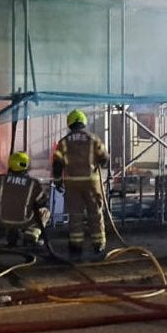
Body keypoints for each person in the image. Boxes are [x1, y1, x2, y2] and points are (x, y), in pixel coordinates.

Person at [52, 109, 109, 257]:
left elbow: (57, 164)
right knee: (95, 213)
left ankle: (76, 245)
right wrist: (101, 164)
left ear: (70, 123)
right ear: (83, 122)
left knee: (75, 214)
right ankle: (98, 245)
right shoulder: (94, 139)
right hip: (91, 182)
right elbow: (104, 159)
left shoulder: (63, 142)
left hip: (72, 183)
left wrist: (58, 181)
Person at [0, 151, 50, 247]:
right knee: (45, 212)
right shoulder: (33, 183)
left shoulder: (1, 179)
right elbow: (43, 200)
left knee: (12, 212)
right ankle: (31, 234)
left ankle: (12, 234)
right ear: (25, 165)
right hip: (23, 221)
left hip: (4, 220)